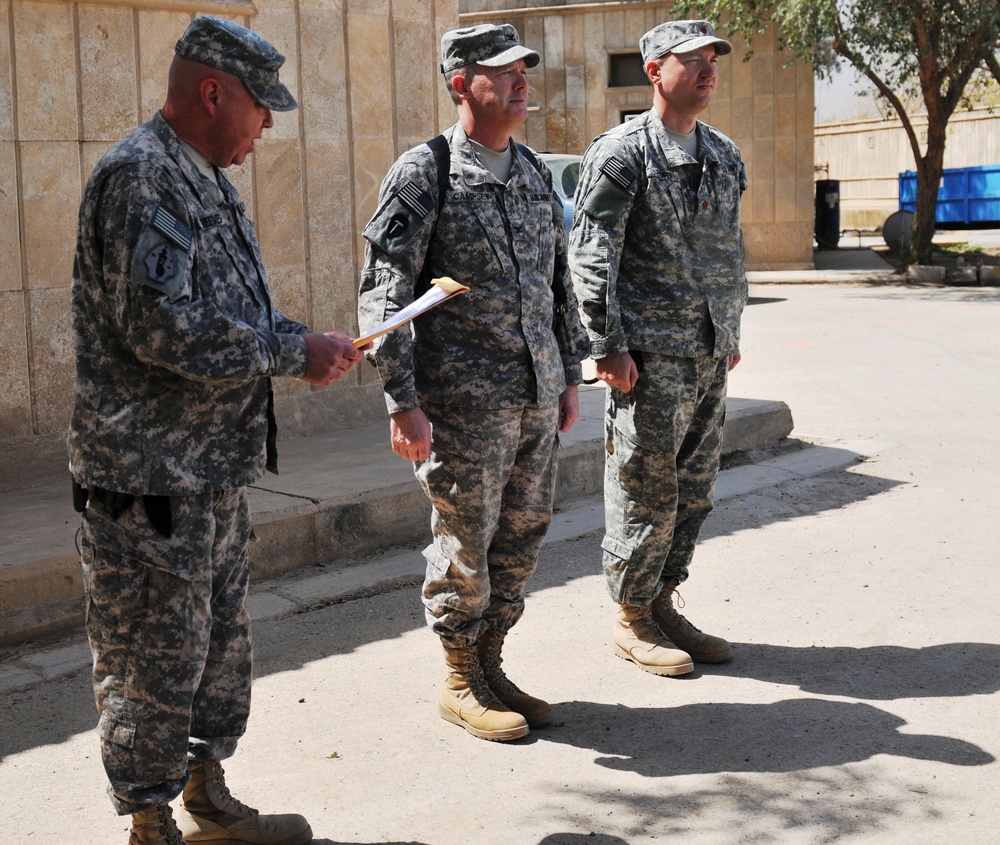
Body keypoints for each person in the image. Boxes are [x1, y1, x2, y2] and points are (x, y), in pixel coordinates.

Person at [68, 15, 365, 845]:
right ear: (211, 92)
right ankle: (150, 823)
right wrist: (284, 351)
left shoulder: (203, 177)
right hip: (149, 483)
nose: (268, 125)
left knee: (213, 650)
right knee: (149, 663)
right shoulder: (141, 178)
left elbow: (228, 309)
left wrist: (306, 338)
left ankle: (203, 794)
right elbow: (159, 327)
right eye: (260, 107)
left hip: (208, 472)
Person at [357, 23, 589, 742]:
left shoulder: (527, 171)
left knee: (520, 538)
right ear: (461, 83)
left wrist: (569, 372)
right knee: (464, 542)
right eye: (502, 72)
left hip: (534, 394)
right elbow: (384, 295)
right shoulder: (423, 172)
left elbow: (559, 282)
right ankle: (459, 677)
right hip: (461, 407)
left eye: (524, 70)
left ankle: (491, 663)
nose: (521, 82)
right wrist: (402, 400)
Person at [568, 20, 747, 677]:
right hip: (647, 356)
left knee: (695, 489)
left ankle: (664, 599)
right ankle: (631, 614)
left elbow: (726, 248)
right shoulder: (622, 153)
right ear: (654, 71)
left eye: (712, 60)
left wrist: (728, 329)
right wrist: (607, 344)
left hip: (705, 353)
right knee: (646, 488)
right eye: (692, 60)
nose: (707, 69)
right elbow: (591, 254)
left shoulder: (723, 154)